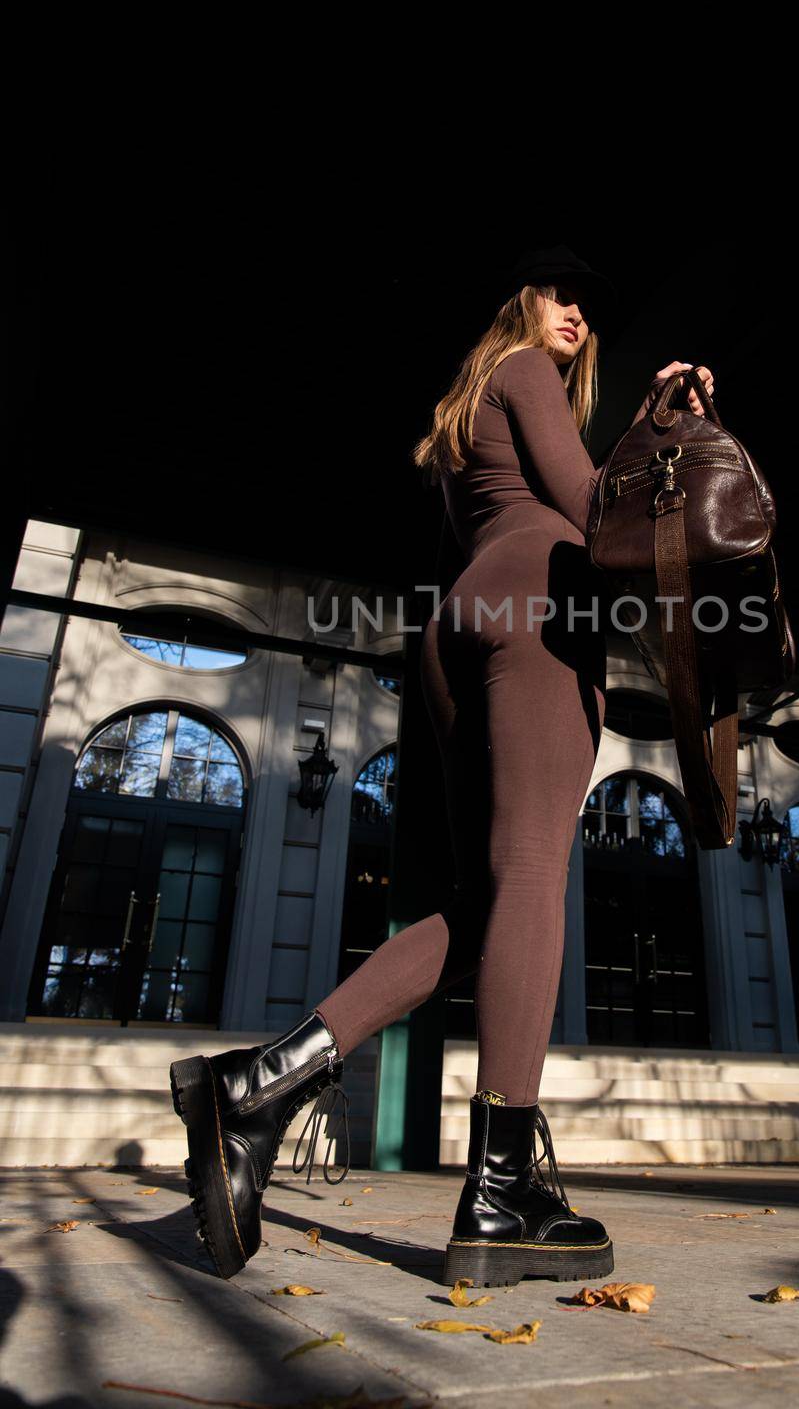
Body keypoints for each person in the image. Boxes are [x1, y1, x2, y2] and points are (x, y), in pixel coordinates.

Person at [170, 245, 714, 1288]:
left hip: (461, 624)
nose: (576, 308)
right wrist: (663, 425)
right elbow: (598, 511)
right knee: (533, 886)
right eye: (559, 288)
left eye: (585, 300)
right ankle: (501, 1189)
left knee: (483, 908)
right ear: (523, 298)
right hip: (535, 613)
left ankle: (261, 1082)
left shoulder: (466, 412)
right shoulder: (524, 371)